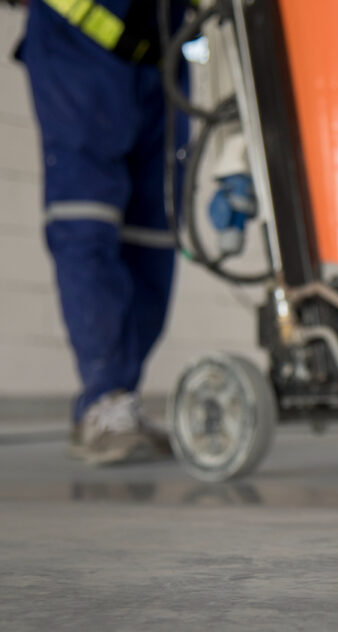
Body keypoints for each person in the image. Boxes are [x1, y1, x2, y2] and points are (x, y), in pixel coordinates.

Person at [14, 0, 191, 464]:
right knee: (86, 219)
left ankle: (120, 395)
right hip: (79, 42)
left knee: (155, 232)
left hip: (162, 50)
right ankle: (104, 396)